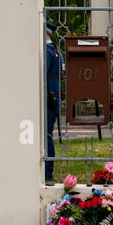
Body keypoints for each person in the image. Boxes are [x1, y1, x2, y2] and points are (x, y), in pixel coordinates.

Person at [44, 21, 63, 181]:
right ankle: (48, 171)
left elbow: (43, 73)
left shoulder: (48, 51)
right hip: (55, 97)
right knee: (48, 135)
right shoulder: (57, 51)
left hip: (48, 98)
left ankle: (47, 173)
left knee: (46, 135)